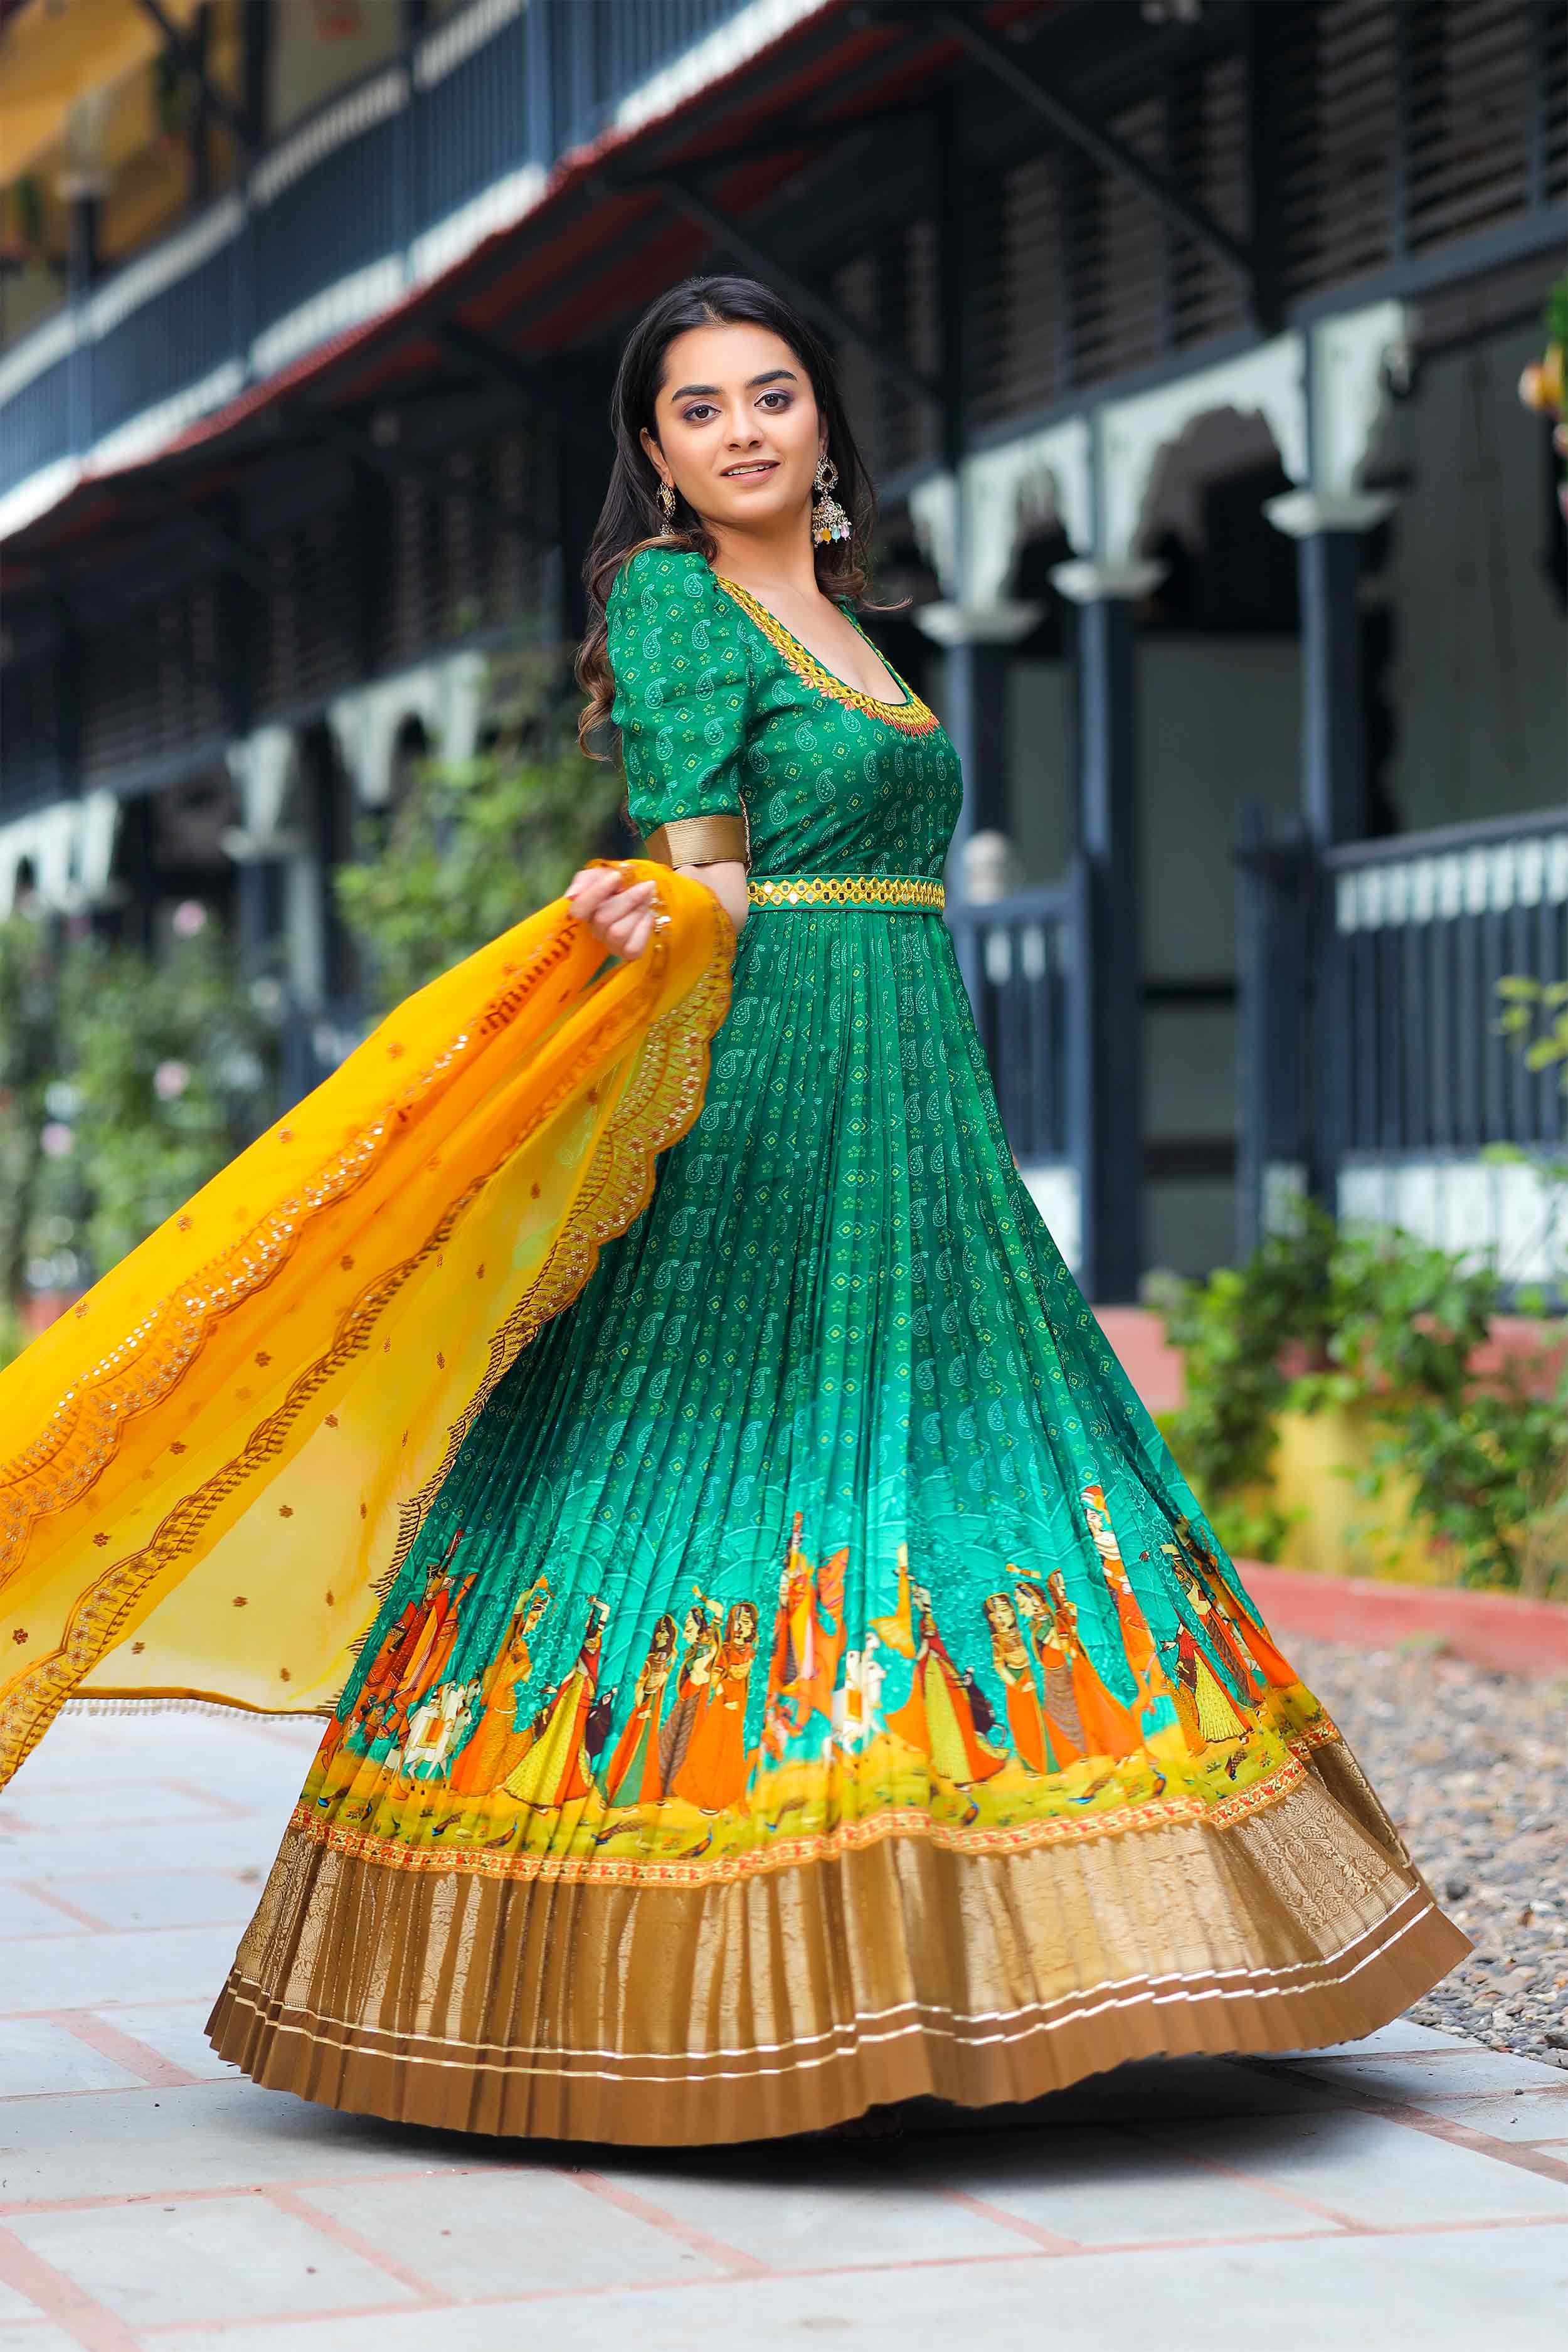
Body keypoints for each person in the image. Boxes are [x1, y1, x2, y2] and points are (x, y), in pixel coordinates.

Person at [1, 274, 1465, 2147]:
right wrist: (643, 907)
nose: (746, 430)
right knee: (705, 1453)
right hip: (773, 1084)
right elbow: (706, 866)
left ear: (825, 423)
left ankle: (1067, 1937)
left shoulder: (847, 621)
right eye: (700, 410)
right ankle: (637, 1960)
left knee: (992, 1457)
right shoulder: (671, 598)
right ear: (657, 457)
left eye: (773, 395)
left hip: (913, 1086)